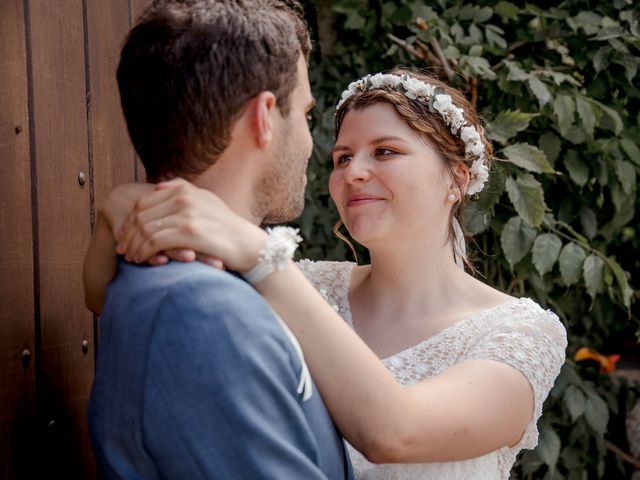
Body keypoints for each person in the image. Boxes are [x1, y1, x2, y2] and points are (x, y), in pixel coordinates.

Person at [85, 68, 568, 478]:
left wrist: (260, 252)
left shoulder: (521, 332)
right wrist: (119, 212)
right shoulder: (305, 284)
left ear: (457, 180)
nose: (353, 171)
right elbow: (110, 295)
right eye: (342, 157)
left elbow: (395, 433)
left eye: (385, 151)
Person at [85, 0, 354, 478]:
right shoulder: (201, 310)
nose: (315, 143)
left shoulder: (203, 279)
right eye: (306, 115)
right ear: (264, 117)